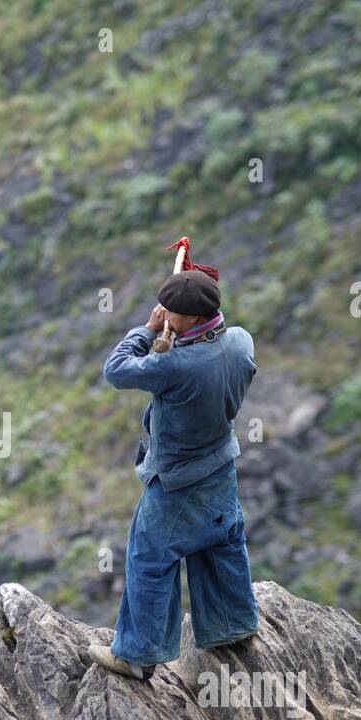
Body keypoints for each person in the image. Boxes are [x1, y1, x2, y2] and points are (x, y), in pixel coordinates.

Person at [89, 269, 259, 680]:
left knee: (149, 557)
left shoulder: (173, 366)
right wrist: (177, 328)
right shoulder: (239, 342)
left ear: (192, 318)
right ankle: (231, 626)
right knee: (221, 542)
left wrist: (147, 331)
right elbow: (206, 340)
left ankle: (137, 655)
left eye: (173, 311)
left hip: (176, 481)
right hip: (220, 464)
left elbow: (116, 369)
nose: (165, 313)